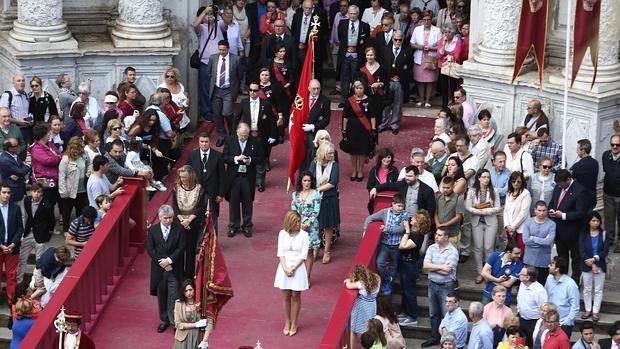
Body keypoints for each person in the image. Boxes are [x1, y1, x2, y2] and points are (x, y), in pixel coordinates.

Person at [148, 205, 185, 333]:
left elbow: (181, 248)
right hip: (159, 271)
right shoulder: (153, 230)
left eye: (170, 218)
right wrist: (163, 263)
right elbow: (150, 250)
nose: (168, 220)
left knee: (174, 296)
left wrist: (169, 261)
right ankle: (164, 320)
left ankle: (174, 322)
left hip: (174, 270)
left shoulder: (179, 229)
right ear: (159, 217)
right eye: (165, 218)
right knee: (162, 296)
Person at [363, 194, 411, 295]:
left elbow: (401, 229)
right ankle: (387, 279)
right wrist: (365, 231)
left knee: (394, 265)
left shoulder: (405, 215)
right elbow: (370, 218)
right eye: (398, 206)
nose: (400, 208)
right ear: (393, 204)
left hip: (397, 245)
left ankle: (387, 284)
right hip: (385, 244)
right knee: (380, 263)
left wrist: (387, 229)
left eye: (402, 206)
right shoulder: (385, 212)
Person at [223, 122, 263, 238]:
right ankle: (233, 226)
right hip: (234, 177)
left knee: (247, 202)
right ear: (236, 132)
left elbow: (260, 158)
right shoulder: (230, 141)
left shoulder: (254, 142)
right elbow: (225, 157)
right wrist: (236, 159)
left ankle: (247, 226)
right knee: (233, 202)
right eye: (241, 135)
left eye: (245, 135)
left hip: (247, 176)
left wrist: (250, 160)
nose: (243, 137)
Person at [548, 169, 589, 283]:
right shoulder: (558, 187)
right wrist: (551, 210)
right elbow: (553, 202)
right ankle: (561, 279)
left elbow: (581, 213)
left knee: (576, 258)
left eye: (561, 183)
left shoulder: (580, 191)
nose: (560, 186)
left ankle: (575, 282)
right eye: (558, 184)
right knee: (562, 258)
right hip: (559, 231)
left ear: (568, 179)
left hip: (573, 232)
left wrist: (563, 215)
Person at [236, 81, 277, 191]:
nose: (252, 92)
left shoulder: (265, 104)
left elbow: (272, 121)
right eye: (250, 90)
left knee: (261, 159)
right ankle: (248, 181)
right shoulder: (244, 103)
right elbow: (237, 118)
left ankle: (260, 182)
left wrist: (273, 135)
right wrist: (234, 134)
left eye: (255, 90)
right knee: (246, 158)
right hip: (247, 136)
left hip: (261, 135)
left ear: (259, 91)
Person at [274, 211, 309, 336]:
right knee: (286, 296)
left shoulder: (304, 235)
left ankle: (294, 322)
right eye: (296, 222)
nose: (299, 224)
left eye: (299, 221)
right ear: (290, 223)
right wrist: (285, 268)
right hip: (284, 267)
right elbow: (281, 253)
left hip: (298, 268)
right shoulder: (282, 234)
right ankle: (287, 322)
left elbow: (303, 255)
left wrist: (293, 268)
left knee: (296, 296)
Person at [422, 229, 459, 348]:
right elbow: (425, 266)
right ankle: (435, 337)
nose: (436, 236)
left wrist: (433, 267)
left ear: (446, 237)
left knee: (447, 314)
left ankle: (447, 342)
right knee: (433, 314)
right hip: (432, 284)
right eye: (436, 234)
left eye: (439, 235)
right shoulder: (431, 248)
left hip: (446, 286)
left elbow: (447, 271)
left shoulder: (453, 251)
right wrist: (440, 267)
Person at [466, 169, 501, 283]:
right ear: (478, 178)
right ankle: (480, 272)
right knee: (477, 247)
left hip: (490, 221)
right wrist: (478, 211)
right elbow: (468, 207)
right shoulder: (472, 191)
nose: (486, 179)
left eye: (488, 177)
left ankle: (488, 272)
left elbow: (497, 207)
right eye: (484, 177)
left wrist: (484, 210)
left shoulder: (494, 191)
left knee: (488, 247)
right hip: (477, 221)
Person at [193, 5, 228, 121]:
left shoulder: (219, 25)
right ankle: (207, 113)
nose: (210, 16)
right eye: (208, 15)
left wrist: (220, 13)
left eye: (211, 14)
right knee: (205, 89)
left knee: (218, 88)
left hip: (219, 63)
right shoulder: (202, 28)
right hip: (205, 63)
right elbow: (195, 25)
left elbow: (228, 21)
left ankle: (216, 111)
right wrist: (205, 12)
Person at [185, 133, 226, 233]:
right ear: (199, 142)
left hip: (212, 193)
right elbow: (187, 173)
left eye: (206, 142)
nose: (204, 144)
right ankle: (199, 241)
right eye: (202, 142)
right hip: (196, 193)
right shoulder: (192, 155)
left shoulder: (218, 156)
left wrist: (221, 194)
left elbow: (222, 177)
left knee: (212, 218)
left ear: (210, 142)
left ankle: (213, 242)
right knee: (196, 217)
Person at [397, 210, 429, 327]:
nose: (412, 219)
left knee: (410, 291)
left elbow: (402, 246)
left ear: (419, 223)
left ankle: (413, 316)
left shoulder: (417, 236)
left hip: (410, 265)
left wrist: (407, 231)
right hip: (405, 263)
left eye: (414, 219)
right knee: (404, 290)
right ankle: (405, 313)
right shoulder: (414, 233)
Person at [310, 141, 340, 263]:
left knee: (328, 225)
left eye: (332, 153)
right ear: (322, 153)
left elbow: (333, 182)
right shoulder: (314, 163)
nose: (332, 155)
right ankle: (316, 248)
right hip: (315, 199)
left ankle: (327, 251)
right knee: (315, 225)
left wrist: (317, 190)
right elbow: (310, 178)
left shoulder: (334, 165)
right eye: (329, 153)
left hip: (329, 198)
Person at [342, 80, 379, 181]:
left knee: (362, 151)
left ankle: (360, 171)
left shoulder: (369, 100)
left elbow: (372, 116)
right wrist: (344, 130)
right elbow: (345, 117)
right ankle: (354, 170)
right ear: (354, 89)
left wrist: (374, 129)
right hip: (351, 129)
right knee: (353, 151)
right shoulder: (349, 100)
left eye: (361, 88)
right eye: (357, 88)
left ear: (364, 89)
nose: (359, 90)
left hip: (364, 129)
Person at [172, 166, 205, 279]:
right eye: (181, 177)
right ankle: (179, 276)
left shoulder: (199, 188)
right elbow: (175, 206)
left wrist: (189, 220)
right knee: (179, 250)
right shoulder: (176, 188)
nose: (183, 180)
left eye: (185, 177)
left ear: (190, 176)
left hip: (193, 223)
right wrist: (182, 220)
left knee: (190, 252)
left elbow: (200, 207)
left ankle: (189, 277)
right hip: (178, 223)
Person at [336, 5, 371, 107]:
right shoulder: (342, 23)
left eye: (355, 14)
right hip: (345, 55)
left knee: (356, 79)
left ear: (358, 14)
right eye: (351, 13)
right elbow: (340, 37)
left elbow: (366, 42)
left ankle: (355, 99)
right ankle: (344, 100)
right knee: (344, 78)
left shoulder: (364, 26)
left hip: (357, 55)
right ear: (348, 14)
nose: (352, 16)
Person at [210, 40, 243, 145]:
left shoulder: (236, 59)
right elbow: (209, 72)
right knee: (217, 114)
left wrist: (237, 89)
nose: (221, 52)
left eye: (223, 50)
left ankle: (232, 130)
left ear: (228, 49)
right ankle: (222, 135)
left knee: (227, 112)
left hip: (228, 90)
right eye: (220, 49)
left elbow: (240, 75)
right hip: (216, 89)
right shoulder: (213, 58)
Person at [291, 171, 322, 283]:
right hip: (297, 226)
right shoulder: (295, 194)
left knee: (309, 252)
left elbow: (316, 211)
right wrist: (298, 223)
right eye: (305, 180)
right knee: (298, 252)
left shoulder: (316, 193)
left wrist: (307, 223)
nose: (307, 183)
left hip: (311, 227)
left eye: (309, 180)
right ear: (301, 181)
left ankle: (307, 277)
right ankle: (299, 275)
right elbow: (293, 210)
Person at [370, 165, 436, 217]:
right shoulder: (403, 184)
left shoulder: (427, 190)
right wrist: (376, 188)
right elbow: (389, 185)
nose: (407, 178)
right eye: (406, 176)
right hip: (403, 219)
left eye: (410, 176)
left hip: (418, 222)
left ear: (417, 176)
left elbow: (431, 210)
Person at [579, 212, 610, 322]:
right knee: (587, 289)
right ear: (589, 221)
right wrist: (592, 264)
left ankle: (595, 311)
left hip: (600, 265)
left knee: (598, 289)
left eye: (597, 221)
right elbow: (581, 251)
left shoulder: (604, 234)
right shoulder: (583, 234)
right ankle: (588, 310)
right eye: (593, 220)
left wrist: (594, 259)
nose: (596, 223)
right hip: (586, 265)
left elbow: (605, 251)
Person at [58, 136, 90, 234]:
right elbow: (62, 176)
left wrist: (88, 171)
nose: (83, 146)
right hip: (70, 190)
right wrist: (63, 192)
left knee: (80, 211)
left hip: (82, 189)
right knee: (67, 211)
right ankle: (66, 230)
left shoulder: (85, 154)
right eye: (81, 145)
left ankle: (79, 229)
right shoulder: (66, 159)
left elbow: (89, 164)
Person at [380, 30, 409, 135]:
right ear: (392, 39)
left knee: (397, 104)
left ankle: (395, 125)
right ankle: (383, 124)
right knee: (386, 103)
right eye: (395, 39)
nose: (397, 42)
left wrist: (400, 76)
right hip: (387, 81)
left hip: (399, 82)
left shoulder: (407, 50)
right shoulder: (385, 50)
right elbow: (382, 65)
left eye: (400, 40)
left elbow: (409, 67)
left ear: (402, 40)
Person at [291, 0, 328, 83]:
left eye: (310, 8)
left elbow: (324, 32)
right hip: (298, 48)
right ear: (302, 7)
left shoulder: (317, 18)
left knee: (313, 71)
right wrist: (298, 43)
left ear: (312, 8)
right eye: (306, 8)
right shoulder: (297, 16)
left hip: (311, 49)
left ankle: (315, 91)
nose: (307, 10)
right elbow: (294, 32)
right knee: (298, 71)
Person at [409, 10, 440, 108]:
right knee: (420, 80)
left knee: (430, 80)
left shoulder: (437, 30)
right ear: (422, 20)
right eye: (424, 19)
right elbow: (411, 43)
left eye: (428, 19)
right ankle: (421, 99)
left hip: (431, 57)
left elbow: (441, 45)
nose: (426, 21)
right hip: (419, 57)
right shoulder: (417, 29)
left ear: (431, 20)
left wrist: (431, 48)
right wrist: (420, 47)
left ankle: (427, 100)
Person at [344, 264, 381, 347]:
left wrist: (348, 280)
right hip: (372, 305)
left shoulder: (361, 283)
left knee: (354, 329)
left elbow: (348, 285)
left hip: (360, 306)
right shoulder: (377, 278)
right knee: (369, 328)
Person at [29, 123, 62, 210]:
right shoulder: (36, 149)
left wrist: (57, 156)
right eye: (48, 132)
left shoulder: (49, 144)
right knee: (46, 205)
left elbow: (59, 153)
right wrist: (57, 158)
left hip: (53, 178)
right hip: (44, 181)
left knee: (52, 203)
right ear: (42, 135)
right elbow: (48, 161)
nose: (50, 134)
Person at [301, 79, 332, 171]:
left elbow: (326, 119)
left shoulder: (325, 100)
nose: (316, 91)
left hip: (316, 131)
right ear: (308, 88)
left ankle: (311, 172)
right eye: (314, 89)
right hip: (301, 130)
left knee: (312, 150)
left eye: (318, 89)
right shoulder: (302, 98)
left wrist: (313, 126)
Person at [522, 201, 556, 283]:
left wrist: (533, 238)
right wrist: (543, 241)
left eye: (544, 210)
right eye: (539, 210)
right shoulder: (528, 222)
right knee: (527, 283)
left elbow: (548, 242)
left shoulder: (552, 224)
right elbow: (526, 241)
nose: (542, 213)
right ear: (535, 210)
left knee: (542, 284)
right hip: (529, 260)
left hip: (543, 261)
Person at [0, 184, 23, 306]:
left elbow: (20, 228)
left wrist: (13, 244)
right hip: (0, 247)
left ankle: (11, 302)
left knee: (12, 276)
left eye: (8, 192)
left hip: (12, 248)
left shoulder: (16, 208)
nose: (6, 195)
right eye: (4, 192)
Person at [545, 256, 580, 337]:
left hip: (563, 324)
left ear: (557, 269)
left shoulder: (571, 285)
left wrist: (565, 323)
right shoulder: (549, 278)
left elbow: (575, 307)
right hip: (549, 321)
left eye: (551, 264)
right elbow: (546, 297)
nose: (549, 266)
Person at [480, 241, 523, 305]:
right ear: (508, 252)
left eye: (520, 253)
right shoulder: (495, 255)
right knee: (484, 314)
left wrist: (490, 278)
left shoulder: (519, 264)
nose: (519, 255)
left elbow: (507, 284)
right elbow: (483, 273)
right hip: (489, 293)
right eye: (516, 253)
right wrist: (497, 280)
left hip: (504, 298)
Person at [22, 184, 55, 263]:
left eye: (38, 192)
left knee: (39, 260)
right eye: (34, 191)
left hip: (41, 234)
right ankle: (19, 276)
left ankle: (37, 276)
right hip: (28, 233)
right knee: (22, 259)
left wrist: (48, 235)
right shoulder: (27, 200)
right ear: (30, 192)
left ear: (42, 193)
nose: (36, 194)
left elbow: (51, 221)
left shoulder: (47, 205)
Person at [517, 266, 548, 348]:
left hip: (533, 323)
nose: (519, 274)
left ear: (528, 277)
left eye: (522, 273)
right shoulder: (522, 284)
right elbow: (519, 298)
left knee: (532, 344)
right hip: (521, 319)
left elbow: (544, 309)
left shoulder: (539, 291)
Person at [174, 279, 209, 349]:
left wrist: (205, 339)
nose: (188, 293)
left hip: (198, 337)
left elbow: (209, 322)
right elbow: (178, 324)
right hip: (183, 339)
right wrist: (196, 324)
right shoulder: (178, 303)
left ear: (195, 289)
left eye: (190, 290)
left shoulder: (201, 303)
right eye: (186, 291)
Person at [0, 138, 30, 218]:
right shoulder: (4, 160)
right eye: (16, 146)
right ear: (9, 148)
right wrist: (27, 166)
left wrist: (20, 172)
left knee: (22, 214)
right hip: (13, 192)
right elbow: (22, 172)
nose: (18, 147)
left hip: (20, 189)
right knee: (16, 215)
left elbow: (20, 169)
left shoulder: (15, 155)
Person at [503, 171, 531, 254]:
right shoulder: (509, 193)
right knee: (512, 251)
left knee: (521, 251)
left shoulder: (526, 193)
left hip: (521, 229)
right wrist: (507, 225)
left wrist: (513, 226)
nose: (516, 183)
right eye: (513, 181)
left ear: (522, 182)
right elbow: (505, 211)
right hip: (509, 229)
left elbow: (524, 213)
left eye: (518, 181)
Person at [601, 134, 620, 253]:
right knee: (608, 218)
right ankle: (609, 239)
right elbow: (606, 171)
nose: (615, 147)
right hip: (608, 193)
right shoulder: (605, 155)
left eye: (618, 145)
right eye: (612, 144)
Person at [0, 75, 31, 145]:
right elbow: (2, 115)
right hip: (13, 129)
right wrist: (18, 121)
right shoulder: (7, 95)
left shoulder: (26, 95)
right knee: (13, 152)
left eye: (23, 81)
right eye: (18, 81)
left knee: (23, 151)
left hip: (26, 130)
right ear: (13, 82)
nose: (21, 83)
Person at [437, 23, 462, 107]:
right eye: (445, 32)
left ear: (453, 32)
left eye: (449, 32)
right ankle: (444, 106)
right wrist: (443, 45)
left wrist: (447, 56)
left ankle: (453, 105)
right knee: (443, 88)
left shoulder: (457, 41)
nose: (447, 34)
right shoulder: (441, 41)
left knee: (452, 87)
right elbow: (439, 56)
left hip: (453, 67)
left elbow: (456, 56)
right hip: (443, 67)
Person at [367, 148, 399, 213]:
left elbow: (396, 185)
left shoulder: (394, 170)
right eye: (384, 157)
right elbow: (370, 186)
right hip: (376, 201)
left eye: (389, 157)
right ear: (380, 158)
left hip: (390, 202)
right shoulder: (374, 170)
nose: (387, 159)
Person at [435, 176, 464, 246]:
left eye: (448, 188)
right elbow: (435, 212)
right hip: (439, 232)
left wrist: (444, 224)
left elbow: (458, 217)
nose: (445, 190)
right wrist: (437, 224)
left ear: (453, 187)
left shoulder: (458, 199)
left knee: (451, 255)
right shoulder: (439, 197)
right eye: (443, 187)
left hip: (452, 234)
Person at [570, 139, 598, 211]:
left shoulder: (578, 166)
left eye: (577, 149)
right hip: (592, 197)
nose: (576, 151)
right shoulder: (595, 163)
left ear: (583, 151)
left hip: (581, 198)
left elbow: (569, 176)